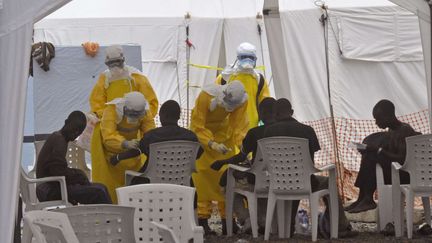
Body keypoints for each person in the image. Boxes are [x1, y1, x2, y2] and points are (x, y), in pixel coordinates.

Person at [263, 98, 355, 238]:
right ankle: (340, 227)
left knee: (291, 179)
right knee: (326, 182)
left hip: (278, 183)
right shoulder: (307, 130)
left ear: (275, 114)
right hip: (306, 182)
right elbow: (312, 155)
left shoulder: (268, 132)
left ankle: (287, 229)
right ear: (292, 112)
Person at [190, 80, 249, 235]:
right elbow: (197, 125)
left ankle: (228, 222)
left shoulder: (242, 101)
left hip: (225, 140)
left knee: (226, 179)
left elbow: (239, 125)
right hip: (202, 142)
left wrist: (244, 146)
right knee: (201, 180)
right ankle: (203, 222)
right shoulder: (205, 96)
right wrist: (211, 143)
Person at [211, 97, 276, 234]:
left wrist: (221, 162)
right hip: (281, 182)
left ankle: (246, 219)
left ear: (261, 113)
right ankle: (263, 221)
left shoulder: (255, 133)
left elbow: (241, 157)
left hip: (259, 181)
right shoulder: (285, 133)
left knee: (227, 184)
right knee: (260, 184)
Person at [346, 100, 420, 214]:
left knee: (372, 156)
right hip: (395, 172)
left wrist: (379, 151)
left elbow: (401, 159)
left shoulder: (404, 130)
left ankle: (367, 198)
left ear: (389, 116)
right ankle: (363, 197)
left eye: (378, 119)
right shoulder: (392, 130)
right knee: (369, 154)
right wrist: (368, 150)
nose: (376, 122)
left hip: (405, 174)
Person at [110, 100, 203, 184]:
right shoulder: (191, 137)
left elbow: (137, 150)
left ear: (162, 116)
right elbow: (198, 154)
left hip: (152, 184)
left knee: (134, 180)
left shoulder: (152, 136)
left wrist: (117, 157)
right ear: (178, 117)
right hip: (182, 184)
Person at [91, 91, 155, 203]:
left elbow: (150, 134)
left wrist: (141, 144)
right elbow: (108, 136)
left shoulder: (146, 112)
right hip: (109, 156)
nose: (134, 117)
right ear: (125, 107)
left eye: (137, 115)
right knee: (110, 190)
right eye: (132, 113)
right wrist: (124, 143)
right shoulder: (111, 110)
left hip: (131, 156)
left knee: (131, 189)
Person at [36, 111, 111, 205]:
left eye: (79, 132)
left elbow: (57, 170)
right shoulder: (59, 141)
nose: (76, 133)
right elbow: (57, 171)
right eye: (74, 129)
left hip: (49, 186)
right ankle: (108, 219)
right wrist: (78, 175)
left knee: (100, 188)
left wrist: (77, 175)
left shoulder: (57, 136)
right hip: (49, 189)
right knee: (99, 191)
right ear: (66, 122)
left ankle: (97, 216)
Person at [89, 45, 158, 119]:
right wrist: (109, 116)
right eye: (111, 63)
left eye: (117, 62)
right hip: (111, 123)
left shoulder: (136, 76)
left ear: (123, 60)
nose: (115, 66)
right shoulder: (104, 78)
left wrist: (137, 116)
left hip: (135, 124)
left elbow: (151, 103)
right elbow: (97, 103)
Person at [216, 42, 270, 129]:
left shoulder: (259, 80)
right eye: (244, 57)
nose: (247, 60)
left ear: (255, 59)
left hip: (252, 127)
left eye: (251, 57)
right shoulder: (225, 77)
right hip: (229, 128)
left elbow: (266, 105)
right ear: (237, 58)